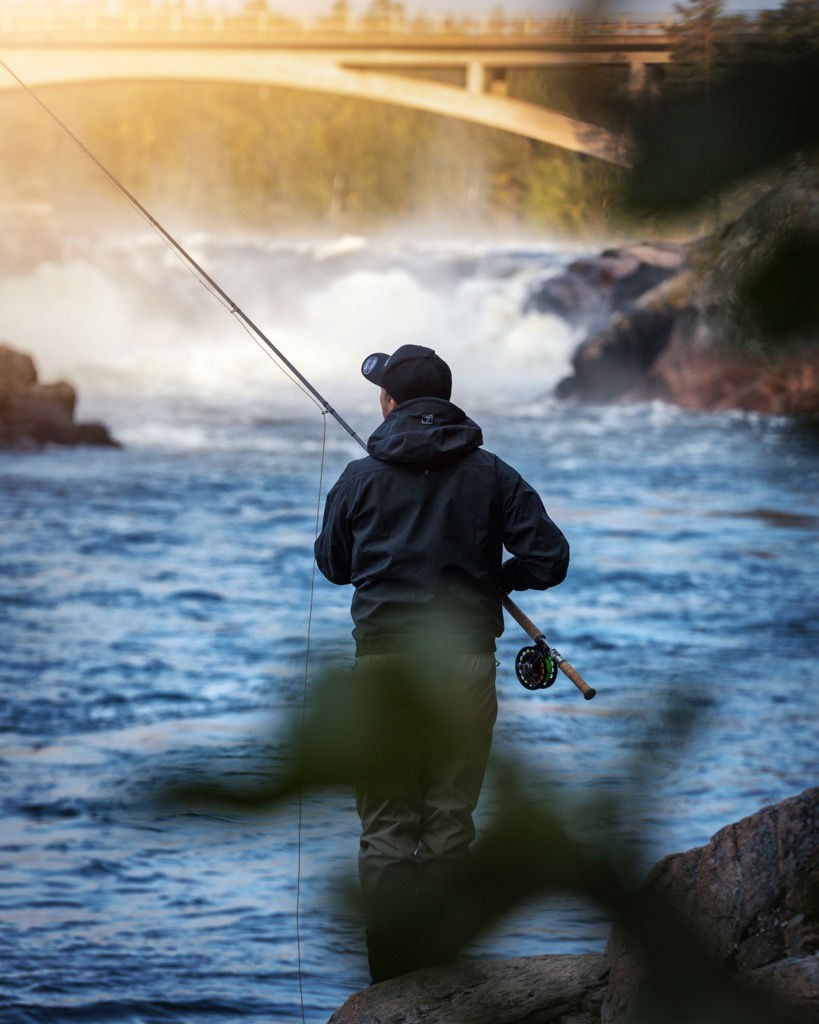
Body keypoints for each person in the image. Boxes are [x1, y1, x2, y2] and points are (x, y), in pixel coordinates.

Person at [314, 344, 569, 982]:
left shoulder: (358, 476)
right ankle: (444, 979)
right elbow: (550, 560)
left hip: (384, 669)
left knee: (387, 828)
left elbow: (334, 565)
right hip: (464, 666)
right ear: (446, 404)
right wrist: (489, 579)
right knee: (451, 823)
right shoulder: (493, 473)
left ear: (390, 402)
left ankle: (390, 984)